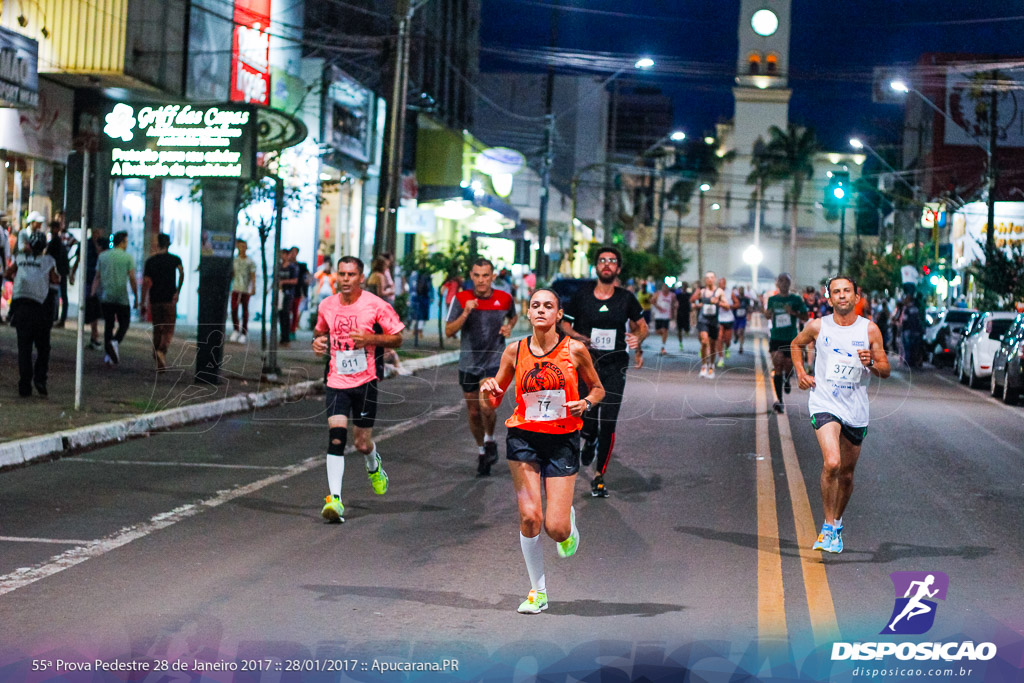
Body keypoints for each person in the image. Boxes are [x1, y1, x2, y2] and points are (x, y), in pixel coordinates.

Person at [480, 287, 605, 614]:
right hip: (523, 437)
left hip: (563, 439)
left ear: (558, 314)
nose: (540, 310)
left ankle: (567, 525)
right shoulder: (514, 351)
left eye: (548, 306)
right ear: (528, 311)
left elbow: (598, 388)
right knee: (530, 517)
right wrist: (487, 390)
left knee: (556, 527)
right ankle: (538, 592)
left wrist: (586, 403)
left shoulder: (574, 350)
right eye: (535, 305)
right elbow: (493, 400)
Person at [790, 275, 889, 554]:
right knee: (832, 462)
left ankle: (838, 522)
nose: (842, 296)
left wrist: (872, 363)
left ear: (857, 297)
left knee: (846, 474)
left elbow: (886, 368)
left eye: (847, 291)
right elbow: (796, 345)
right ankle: (827, 525)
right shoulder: (818, 326)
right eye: (836, 292)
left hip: (855, 408)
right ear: (829, 298)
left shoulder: (870, 331)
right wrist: (800, 373)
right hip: (824, 402)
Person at [311, 256, 405, 523]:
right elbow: (319, 334)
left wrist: (371, 339)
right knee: (336, 439)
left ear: (361, 278)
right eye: (341, 274)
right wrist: (317, 344)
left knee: (361, 444)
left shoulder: (376, 305)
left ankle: (374, 465)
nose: (345, 279)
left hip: (365, 383)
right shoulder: (327, 305)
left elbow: (398, 337)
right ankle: (335, 500)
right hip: (336, 382)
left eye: (351, 274)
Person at [560, 246, 647, 498]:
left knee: (609, 420)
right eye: (602, 261)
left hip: (615, 365)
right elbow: (565, 323)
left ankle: (599, 476)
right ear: (596, 266)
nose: (606, 264)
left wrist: (637, 339)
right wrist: (578, 337)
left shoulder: (626, 298)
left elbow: (642, 326)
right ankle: (590, 437)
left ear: (618, 268)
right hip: (586, 365)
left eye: (612, 261)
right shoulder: (582, 295)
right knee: (586, 417)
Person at [446, 258, 518, 476]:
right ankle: (482, 450)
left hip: (494, 362)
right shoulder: (461, 299)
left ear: (493, 277)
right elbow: (449, 331)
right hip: (468, 362)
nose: (481, 280)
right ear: (471, 276)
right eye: (477, 275)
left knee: (487, 407)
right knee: (474, 411)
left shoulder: (504, 298)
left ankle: (489, 440)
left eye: (485, 275)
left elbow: (513, 316)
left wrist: (508, 327)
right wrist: (466, 312)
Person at [6, 231, 59, 396]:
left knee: (24, 348)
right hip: (40, 309)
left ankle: (24, 384)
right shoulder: (48, 261)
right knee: (43, 347)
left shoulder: (20, 259)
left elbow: (8, 272)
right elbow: (55, 279)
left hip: (21, 308)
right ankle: (40, 378)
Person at [92, 231, 137, 366]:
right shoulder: (128, 258)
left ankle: (108, 352)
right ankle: (114, 342)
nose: (127, 244)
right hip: (122, 297)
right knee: (124, 323)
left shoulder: (103, 256)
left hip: (107, 296)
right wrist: (136, 296)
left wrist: (93, 293)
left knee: (109, 325)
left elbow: (97, 277)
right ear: (122, 242)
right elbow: (132, 278)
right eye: (126, 242)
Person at [764, 273, 808, 413]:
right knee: (778, 365)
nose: (783, 283)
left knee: (789, 365)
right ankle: (779, 400)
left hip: (791, 339)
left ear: (790, 284)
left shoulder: (795, 299)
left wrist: (793, 312)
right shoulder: (772, 299)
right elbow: (768, 315)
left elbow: (805, 316)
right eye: (781, 281)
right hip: (776, 337)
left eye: (786, 281)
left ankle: (788, 379)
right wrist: (767, 314)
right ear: (777, 283)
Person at [141, 234, 184, 371]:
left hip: (155, 299)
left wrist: (142, 302)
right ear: (169, 244)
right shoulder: (175, 259)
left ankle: (157, 352)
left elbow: (146, 283)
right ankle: (161, 351)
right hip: (169, 299)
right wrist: (178, 290)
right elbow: (181, 273)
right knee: (169, 328)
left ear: (158, 244)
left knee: (157, 327)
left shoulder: (150, 262)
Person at [690, 271, 727, 378]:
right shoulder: (701, 291)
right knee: (704, 341)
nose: (709, 279)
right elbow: (692, 302)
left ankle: (711, 366)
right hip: (703, 320)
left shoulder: (719, 291)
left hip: (714, 321)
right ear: (705, 280)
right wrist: (697, 305)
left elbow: (727, 306)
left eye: (711, 277)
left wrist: (718, 302)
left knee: (712, 345)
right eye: (707, 278)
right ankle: (703, 366)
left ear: (714, 279)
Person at [230, 239, 257, 343]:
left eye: (244, 246)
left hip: (245, 289)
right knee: (234, 309)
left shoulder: (250, 262)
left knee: (245, 311)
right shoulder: (235, 260)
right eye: (240, 246)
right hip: (236, 288)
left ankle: (244, 332)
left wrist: (253, 287)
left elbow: (253, 275)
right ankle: (236, 329)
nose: (242, 248)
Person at [45, 221, 70, 325]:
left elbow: (50, 256)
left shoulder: (55, 241)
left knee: (55, 294)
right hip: (62, 271)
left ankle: (55, 317)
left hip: (57, 271)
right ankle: (60, 318)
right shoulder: (59, 241)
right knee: (62, 295)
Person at [278, 248, 299, 346]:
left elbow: (295, 280)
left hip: (288, 293)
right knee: (280, 314)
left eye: (284, 254)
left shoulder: (292, 267)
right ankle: (283, 336)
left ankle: (286, 337)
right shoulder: (279, 267)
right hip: (279, 293)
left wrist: (283, 282)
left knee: (286, 314)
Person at [409, 268, 434, 347]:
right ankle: (418, 330)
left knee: (418, 315)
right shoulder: (426, 276)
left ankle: (417, 330)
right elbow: (430, 287)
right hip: (423, 297)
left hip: (418, 297)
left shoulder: (415, 275)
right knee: (421, 315)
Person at [715, 276, 735, 367]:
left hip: (728, 318)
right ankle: (721, 358)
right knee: (719, 338)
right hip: (719, 318)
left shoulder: (730, 292)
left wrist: (729, 306)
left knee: (727, 340)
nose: (721, 285)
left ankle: (727, 347)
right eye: (720, 283)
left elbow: (737, 303)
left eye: (723, 283)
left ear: (725, 283)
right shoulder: (715, 292)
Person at [289, 246, 310, 333]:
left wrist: (307, 281)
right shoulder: (287, 265)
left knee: (295, 311)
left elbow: (308, 274)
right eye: (292, 252)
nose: (293, 254)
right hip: (288, 290)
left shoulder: (301, 265)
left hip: (297, 291)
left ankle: (293, 329)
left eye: (295, 252)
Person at [651, 282, 675, 355]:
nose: (665, 289)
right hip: (658, 316)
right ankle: (664, 336)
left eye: (666, 288)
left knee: (665, 330)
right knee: (658, 331)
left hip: (666, 316)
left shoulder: (672, 295)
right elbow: (652, 301)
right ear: (662, 288)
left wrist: (673, 315)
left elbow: (673, 305)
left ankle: (663, 347)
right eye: (663, 288)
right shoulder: (658, 294)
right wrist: (658, 307)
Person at [732, 285, 751, 354]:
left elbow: (749, 307)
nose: (741, 291)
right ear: (738, 291)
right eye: (740, 290)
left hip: (742, 318)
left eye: (742, 290)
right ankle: (736, 337)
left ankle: (741, 347)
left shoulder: (746, 299)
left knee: (741, 332)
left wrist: (749, 314)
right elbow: (732, 305)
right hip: (735, 318)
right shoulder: (735, 298)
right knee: (736, 332)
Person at [674, 282, 692, 350]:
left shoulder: (688, 295)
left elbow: (691, 303)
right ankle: (680, 343)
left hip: (686, 313)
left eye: (685, 286)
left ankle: (686, 332)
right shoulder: (678, 295)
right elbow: (675, 303)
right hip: (680, 313)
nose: (684, 287)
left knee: (686, 329)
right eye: (683, 286)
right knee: (679, 330)